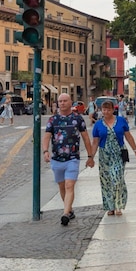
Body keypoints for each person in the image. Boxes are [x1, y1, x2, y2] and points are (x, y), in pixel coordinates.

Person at [41, 93, 95, 226]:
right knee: (62, 186)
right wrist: (45, 151)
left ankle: (65, 214)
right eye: (60, 101)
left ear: (71, 102)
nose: (62, 103)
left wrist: (90, 156)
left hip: (73, 158)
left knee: (69, 185)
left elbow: (86, 138)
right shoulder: (53, 120)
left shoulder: (77, 119)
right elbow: (47, 136)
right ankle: (69, 210)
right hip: (57, 159)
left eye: (65, 101)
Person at [89, 98, 136, 215]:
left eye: (108, 109)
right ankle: (110, 206)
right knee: (106, 180)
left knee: (117, 179)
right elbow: (95, 142)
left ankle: (118, 205)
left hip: (118, 154)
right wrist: (91, 157)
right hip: (104, 155)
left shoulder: (121, 121)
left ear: (113, 110)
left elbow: (128, 137)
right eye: (104, 110)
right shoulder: (98, 125)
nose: (106, 112)